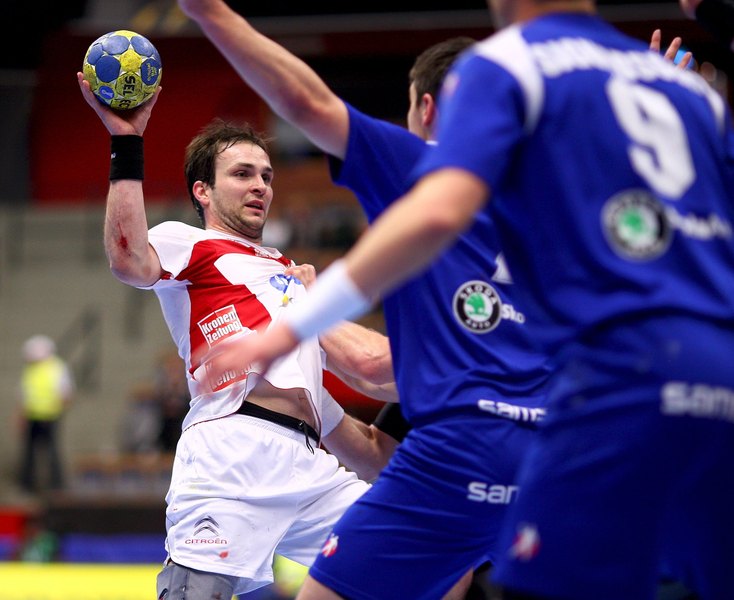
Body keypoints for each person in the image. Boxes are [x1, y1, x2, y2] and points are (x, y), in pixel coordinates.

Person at [193, 1, 734, 599]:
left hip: (483, 436)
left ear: (428, 109)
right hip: (627, 411)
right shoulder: (617, 146)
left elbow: (313, 107)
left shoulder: (486, 94)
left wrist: (294, 319)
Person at [179, 1, 552, 598]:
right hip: (557, 453)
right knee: (451, 569)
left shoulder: (428, 167)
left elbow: (310, 103)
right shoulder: (554, 198)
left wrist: (211, 14)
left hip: (464, 445)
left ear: (425, 109)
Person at [76, 70, 414, 596]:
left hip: (311, 463)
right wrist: (126, 142)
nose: (260, 185)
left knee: (416, 557)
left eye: (266, 176)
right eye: (242, 174)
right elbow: (127, 259)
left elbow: (369, 390)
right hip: (232, 452)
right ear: (203, 191)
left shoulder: (291, 275)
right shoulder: (191, 242)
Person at [17, 334, 73, 494]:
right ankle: (27, 485)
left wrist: (56, 410)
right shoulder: (30, 370)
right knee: (29, 453)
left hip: (50, 417)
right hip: (32, 416)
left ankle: (57, 485)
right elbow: (24, 394)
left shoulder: (57, 367)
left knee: (52, 452)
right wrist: (21, 415)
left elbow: (66, 394)